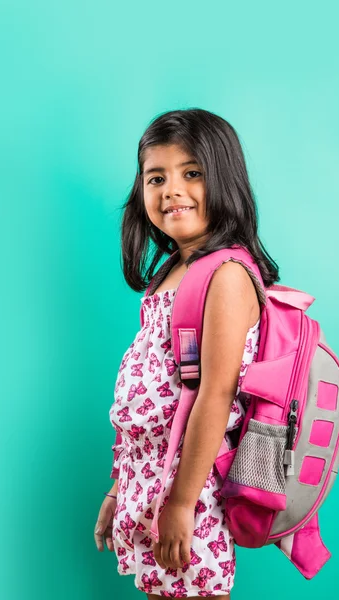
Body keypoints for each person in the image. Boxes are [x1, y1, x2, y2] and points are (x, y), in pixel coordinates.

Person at [94, 108, 280, 599]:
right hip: (148, 479)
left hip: (190, 488)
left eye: (191, 173)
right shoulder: (169, 274)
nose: (171, 189)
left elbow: (215, 396)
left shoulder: (227, 276)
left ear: (224, 180)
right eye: (156, 177)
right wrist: (119, 488)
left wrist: (180, 503)